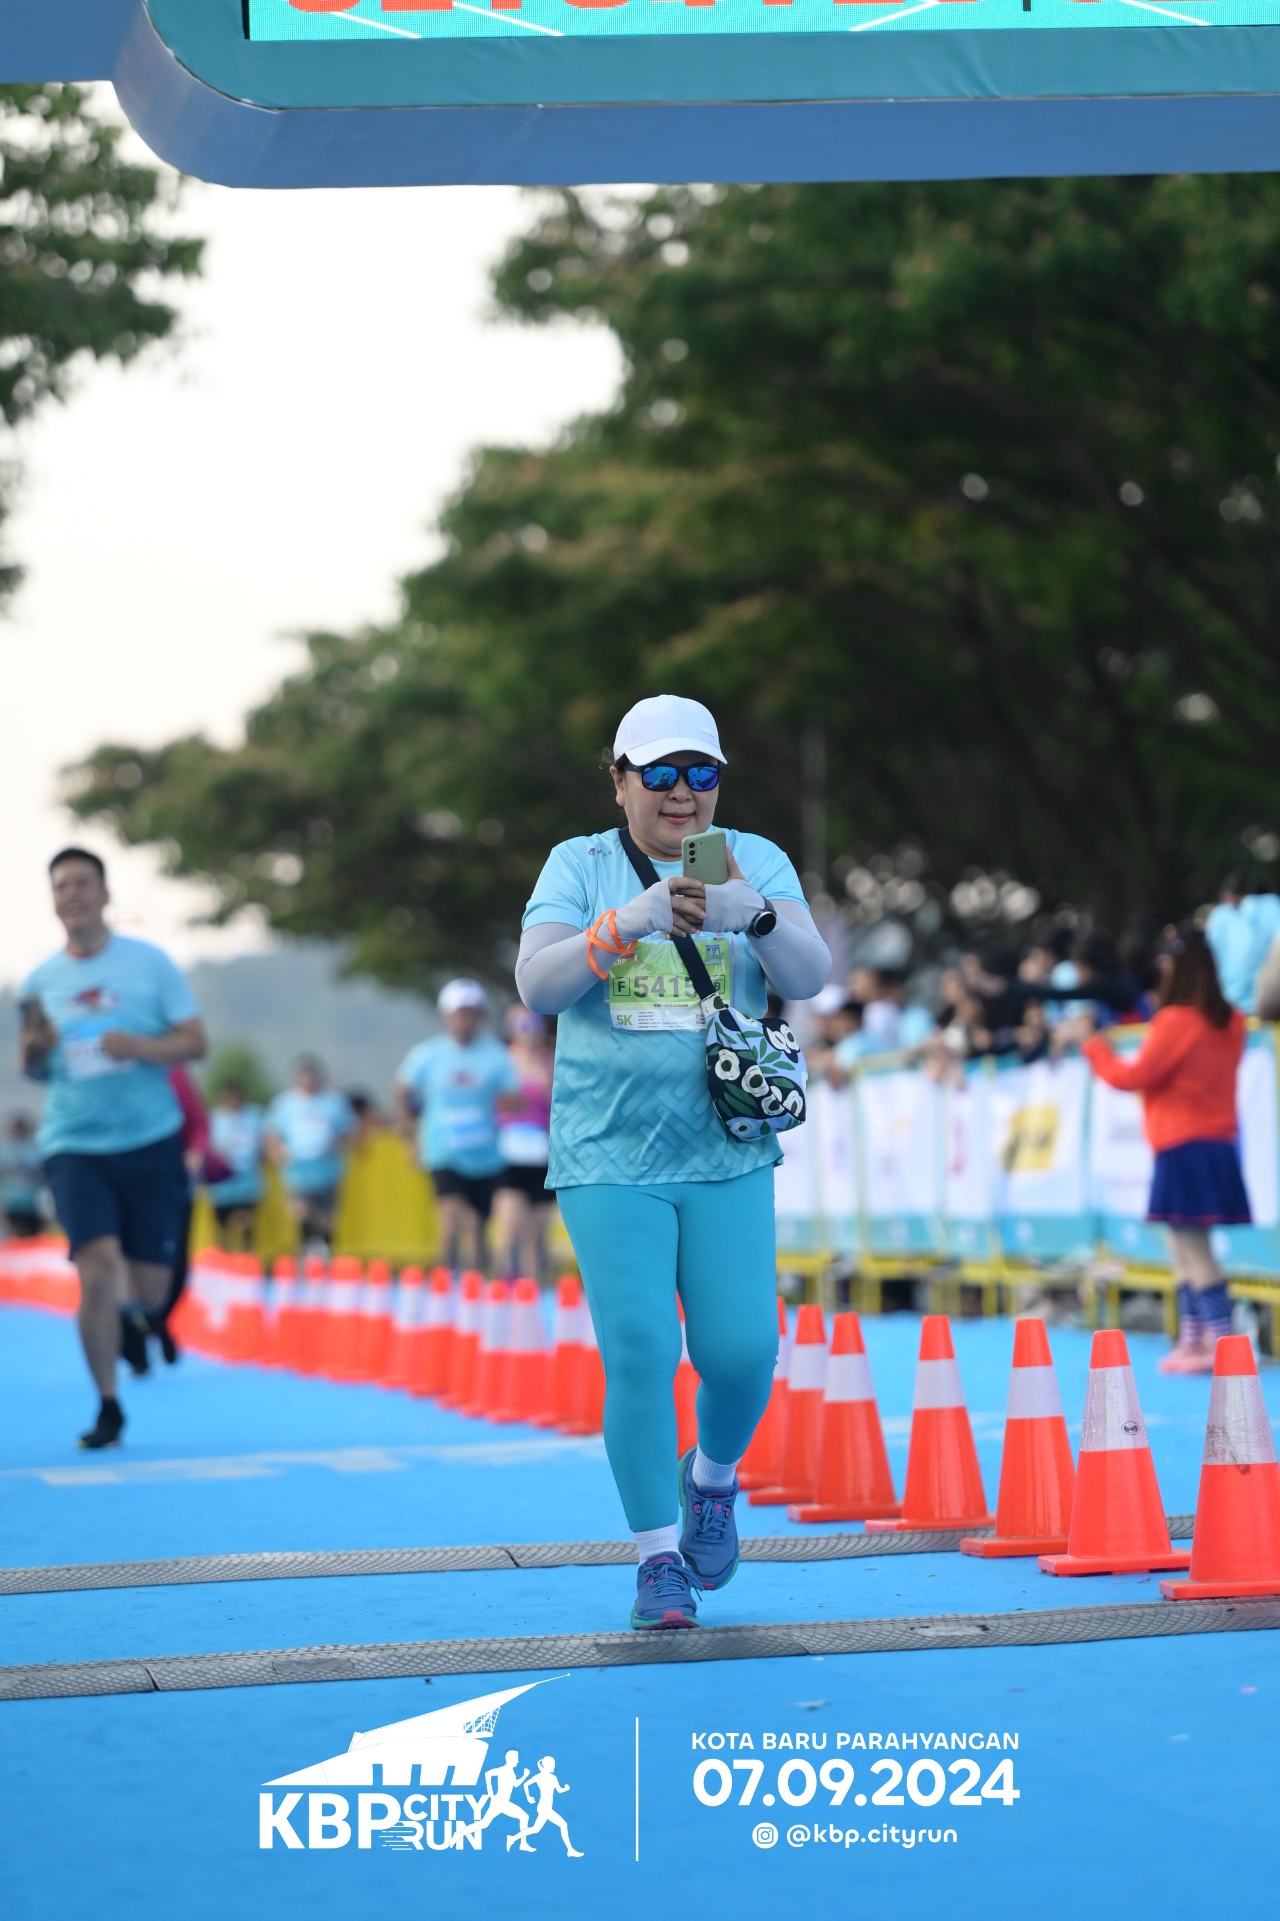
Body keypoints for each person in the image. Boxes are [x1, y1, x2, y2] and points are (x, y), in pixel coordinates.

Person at [517, 693, 830, 1629]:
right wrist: (632, 920)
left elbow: (810, 976)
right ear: (620, 781)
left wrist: (757, 916)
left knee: (741, 1351)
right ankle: (658, 1558)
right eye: (659, 773)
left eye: (701, 773)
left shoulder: (751, 856)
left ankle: (713, 1479)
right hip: (608, 1152)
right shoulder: (581, 864)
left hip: (727, 1147)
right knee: (643, 1348)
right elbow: (537, 984)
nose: (682, 792)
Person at [18, 847, 206, 1447]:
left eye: (82, 882)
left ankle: (134, 1319)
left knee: (150, 1288)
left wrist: (141, 1047)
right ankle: (108, 1405)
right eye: (61, 885)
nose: (71, 893)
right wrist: (36, 1050)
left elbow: (195, 1042)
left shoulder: (150, 963)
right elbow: (32, 1066)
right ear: (53, 900)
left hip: (150, 1140)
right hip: (73, 1144)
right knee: (97, 1267)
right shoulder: (39, 981)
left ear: (103, 893)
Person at [1066, 926, 1248, 1374]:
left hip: (1182, 1145)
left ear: (1175, 967)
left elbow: (1132, 1077)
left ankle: (1220, 1343)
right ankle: (1196, 1338)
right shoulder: (1232, 1022)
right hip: (1216, 1144)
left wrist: (1094, 1047)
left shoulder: (1177, 1021)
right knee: (1182, 1247)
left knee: (1193, 1250)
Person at [395, 981, 519, 1272]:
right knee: (453, 1217)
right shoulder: (428, 1054)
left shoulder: (497, 1055)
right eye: (459, 1013)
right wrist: (411, 1134)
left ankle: (475, 1286)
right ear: (446, 1016)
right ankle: (445, 1280)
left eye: (471, 1013)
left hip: (486, 1155)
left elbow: (514, 1100)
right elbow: (402, 1089)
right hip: (443, 1150)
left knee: (478, 1229)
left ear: (481, 1016)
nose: (465, 1020)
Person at [263, 1056, 355, 1251]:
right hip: (297, 1173)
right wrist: (277, 1152)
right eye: (303, 1074)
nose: (308, 1079)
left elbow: (351, 1130)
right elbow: (271, 1134)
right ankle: (306, 1251)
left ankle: (325, 1251)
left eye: (312, 1074)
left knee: (326, 1218)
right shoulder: (284, 1104)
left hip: (327, 1172)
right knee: (301, 1213)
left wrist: (336, 1142)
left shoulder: (334, 1102)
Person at [492, 1006, 555, 1282]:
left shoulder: (549, 1062)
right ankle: (503, 1281)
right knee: (510, 1228)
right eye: (523, 1027)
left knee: (536, 1233)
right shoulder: (502, 1062)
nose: (529, 1033)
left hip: (541, 1152)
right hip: (510, 1152)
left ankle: (532, 1287)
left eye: (533, 1026)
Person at [206, 1075, 266, 1248]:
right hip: (223, 1181)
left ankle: (247, 1256)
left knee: (246, 1222)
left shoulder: (254, 1116)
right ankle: (223, 1257)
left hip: (247, 1179)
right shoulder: (214, 1118)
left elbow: (263, 1144)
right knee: (222, 1224)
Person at [1, 1111, 45, 1237]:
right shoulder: (5, 1150)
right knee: (16, 1237)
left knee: (33, 1237)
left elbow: (41, 1175)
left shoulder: (34, 1149)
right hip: (12, 1203)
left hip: (32, 1204)